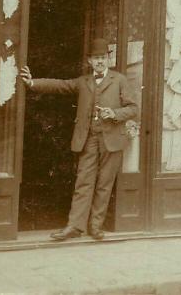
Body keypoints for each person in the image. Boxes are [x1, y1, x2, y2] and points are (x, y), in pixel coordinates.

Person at [19, 38, 138, 241]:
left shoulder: (119, 80)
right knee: (83, 182)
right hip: (89, 139)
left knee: (104, 184)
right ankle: (74, 227)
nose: (100, 62)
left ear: (108, 59)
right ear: (90, 61)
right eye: (96, 58)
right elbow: (61, 86)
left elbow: (133, 108)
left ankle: (96, 227)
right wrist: (32, 83)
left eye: (103, 58)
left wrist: (114, 113)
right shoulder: (83, 82)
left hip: (112, 139)